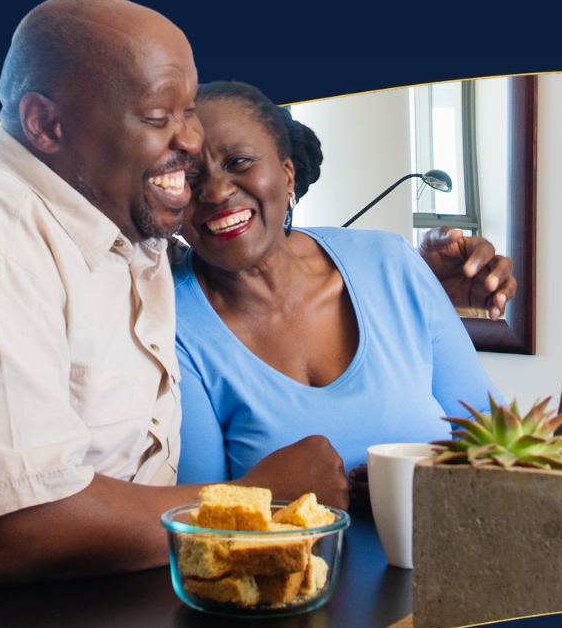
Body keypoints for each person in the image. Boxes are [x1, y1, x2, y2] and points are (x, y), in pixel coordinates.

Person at [0, 0, 349, 594]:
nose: (191, 138)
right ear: (45, 125)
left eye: (189, 109)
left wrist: (401, 272)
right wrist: (252, 502)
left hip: (75, 610)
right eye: (159, 116)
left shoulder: (124, 221)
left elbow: (242, 248)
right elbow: (14, 532)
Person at [171, 81, 499, 483]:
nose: (217, 192)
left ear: (287, 174)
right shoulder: (170, 324)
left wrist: (396, 484)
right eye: (187, 177)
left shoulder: (390, 264)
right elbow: (199, 522)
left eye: (239, 161)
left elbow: (492, 439)